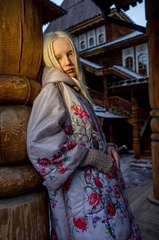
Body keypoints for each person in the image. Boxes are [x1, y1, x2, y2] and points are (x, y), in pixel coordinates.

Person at [27, 31, 141, 240]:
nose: (67, 62)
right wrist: (92, 157)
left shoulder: (74, 89)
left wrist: (108, 146)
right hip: (82, 195)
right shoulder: (54, 90)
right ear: (49, 60)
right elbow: (40, 142)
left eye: (70, 53)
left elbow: (86, 133)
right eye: (58, 57)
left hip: (102, 190)